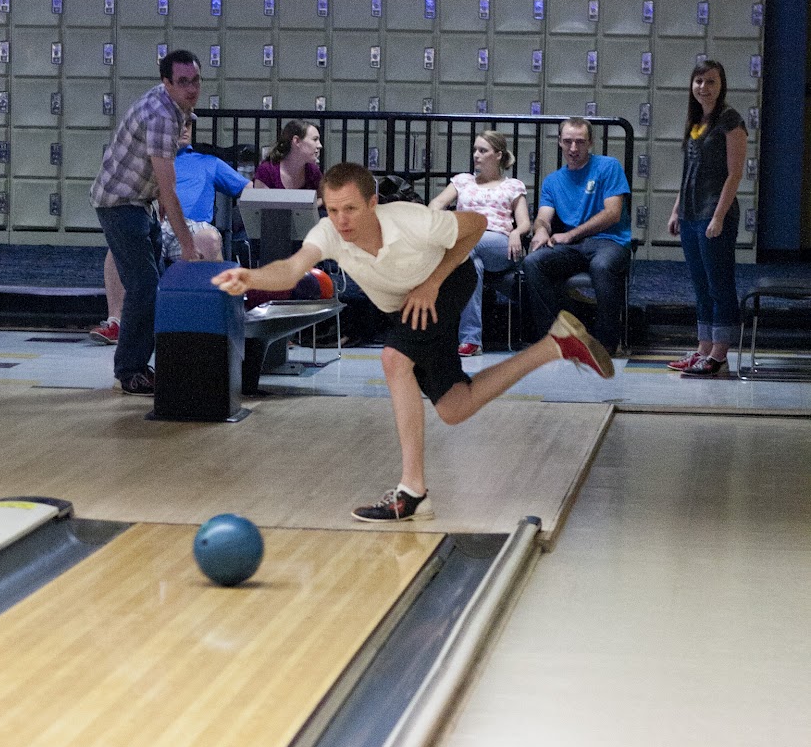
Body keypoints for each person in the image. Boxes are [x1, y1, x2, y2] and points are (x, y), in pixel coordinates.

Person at [213, 161, 614, 522]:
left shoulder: (409, 220)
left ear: (372, 203)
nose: (341, 220)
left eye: (350, 209)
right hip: (405, 305)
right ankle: (554, 345)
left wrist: (432, 282)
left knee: (393, 359)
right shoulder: (329, 233)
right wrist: (251, 277)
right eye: (332, 210)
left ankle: (412, 492)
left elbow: (473, 225)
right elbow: (290, 269)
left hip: (446, 282)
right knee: (456, 406)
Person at [89, 50, 203, 394]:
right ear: (166, 82)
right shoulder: (162, 115)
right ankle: (130, 370)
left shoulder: (173, 107)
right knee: (143, 286)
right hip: (119, 203)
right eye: (182, 81)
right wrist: (187, 246)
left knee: (148, 286)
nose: (191, 88)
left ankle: (139, 363)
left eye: (195, 80)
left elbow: (160, 180)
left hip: (138, 201)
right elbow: (169, 187)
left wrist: (158, 198)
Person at [89, 121, 249, 344]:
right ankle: (116, 323)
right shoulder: (150, 162)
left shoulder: (208, 162)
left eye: (189, 125)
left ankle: (205, 324)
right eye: (178, 125)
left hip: (194, 225)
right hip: (157, 221)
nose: (184, 129)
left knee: (209, 239)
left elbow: (251, 190)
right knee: (119, 245)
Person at [519, 118, 631, 356]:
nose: (573, 148)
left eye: (579, 142)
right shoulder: (552, 181)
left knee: (602, 266)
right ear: (559, 142)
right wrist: (541, 230)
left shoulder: (608, 167)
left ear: (590, 143)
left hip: (609, 240)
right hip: (574, 246)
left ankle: (606, 343)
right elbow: (543, 217)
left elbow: (612, 213)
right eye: (568, 141)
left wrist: (570, 234)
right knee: (533, 263)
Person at [666, 60, 748, 378]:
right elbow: (688, 172)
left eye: (711, 81)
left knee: (719, 286)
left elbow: (735, 173)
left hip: (714, 214)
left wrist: (718, 217)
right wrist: (676, 211)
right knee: (701, 287)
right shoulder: (696, 120)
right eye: (699, 81)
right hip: (690, 214)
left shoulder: (730, 120)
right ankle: (702, 349)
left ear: (721, 85)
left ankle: (719, 353)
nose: (704, 87)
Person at [429, 131, 530, 355]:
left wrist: (516, 233)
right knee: (471, 265)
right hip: (468, 246)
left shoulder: (513, 185)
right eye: (475, 150)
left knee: (465, 246)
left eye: (483, 150)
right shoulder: (462, 181)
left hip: (500, 243)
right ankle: (471, 341)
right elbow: (436, 203)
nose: (476, 155)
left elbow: (525, 223)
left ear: (498, 155)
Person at [252, 120, 323, 192]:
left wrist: (315, 203)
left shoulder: (313, 172)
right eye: (315, 139)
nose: (320, 145)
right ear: (297, 141)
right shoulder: (267, 171)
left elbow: (322, 198)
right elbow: (260, 202)